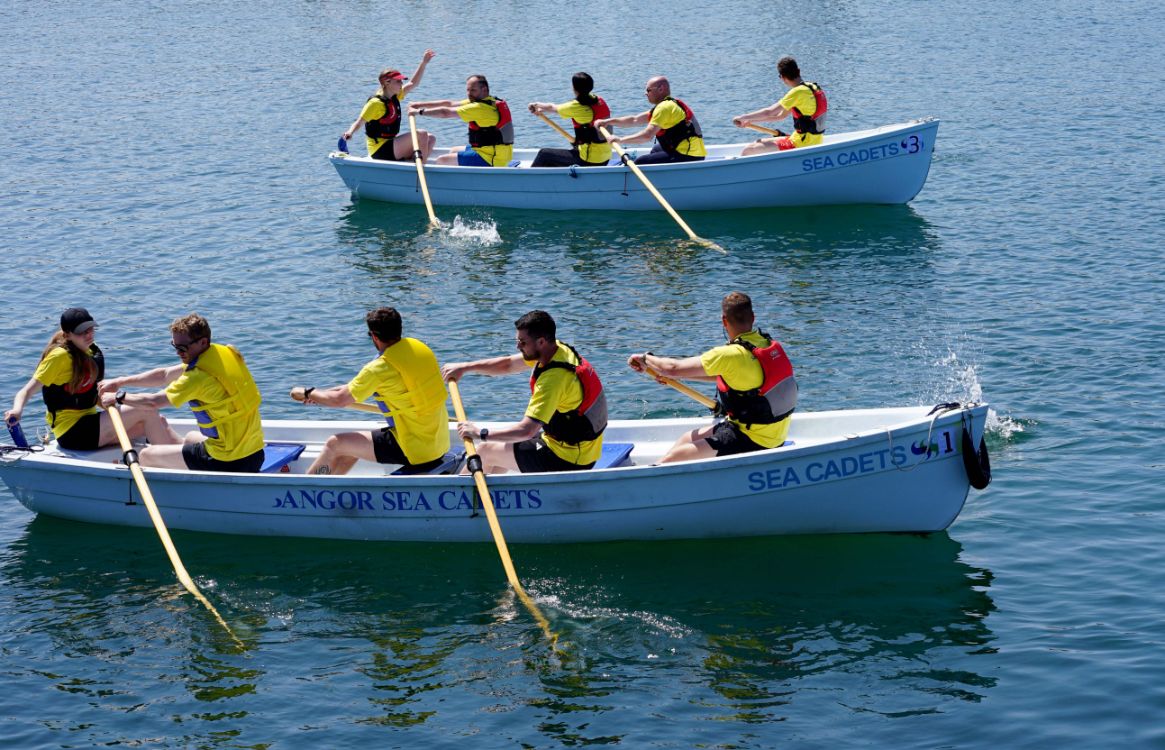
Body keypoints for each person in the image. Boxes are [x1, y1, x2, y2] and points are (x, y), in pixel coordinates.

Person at [627, 292, 797, 464]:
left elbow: (672, 368)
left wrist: (644, 358)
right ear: (753, 317)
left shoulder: (729, 355)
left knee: (674, 457)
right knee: (687, 438)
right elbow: (729, 377)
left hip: (754, 438)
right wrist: (670, 375)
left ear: (724, 321)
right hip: (771, 433)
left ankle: (650, 480)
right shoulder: (766, 344)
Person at [441, 311, 607, 474]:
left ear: (541, 341)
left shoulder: (554, 379)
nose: (518, 346)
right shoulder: (556, 349)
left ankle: (456, 497)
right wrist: (465, 367)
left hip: (567, 460)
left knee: (485, 450)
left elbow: (527, 430)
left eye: (522, 342)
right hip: (578, 450)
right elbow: (508, 365)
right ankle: (494, 497)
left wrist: (479, 433)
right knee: (501, 448)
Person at [98, 314, 266, 472]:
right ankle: (182, 463)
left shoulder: (197, 378)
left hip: (228, 461)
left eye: (183, 348)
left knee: (146, 456)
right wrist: (120, 381)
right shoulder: (220, 355)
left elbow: (153, 402)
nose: (178, 353)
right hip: (255, 453)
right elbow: (163, 375)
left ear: (202, 342)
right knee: (191, 438)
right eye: (175, 347)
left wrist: (118, 397)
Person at [298, 308, 451, 475]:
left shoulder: (378, 369)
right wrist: (319, 395)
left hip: (413, 448)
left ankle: (305, 491)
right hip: (437, 440)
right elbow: (352, 388)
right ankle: (327, 492)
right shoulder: (418, 348)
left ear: (374, 336)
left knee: (334, 444)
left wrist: (307, 393)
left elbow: (340, 400)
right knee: (350, 447)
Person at [5, 308, 178, 451]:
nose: (88, 335)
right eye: (82, 332)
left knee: (158, 421)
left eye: (90, 329)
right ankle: (169, 463)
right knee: (146, 410)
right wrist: (17, 410)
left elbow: (92, 395)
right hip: (72, 432)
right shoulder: (59, 357)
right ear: (67, 335)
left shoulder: (91, 351)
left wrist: (115, 406)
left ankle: (183, 452)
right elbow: (27, 390)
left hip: (91, 424)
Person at [342, 49, 438, 162]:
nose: (401, 84)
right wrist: (350, 132)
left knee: (430, 138)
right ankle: (421, 168)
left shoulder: (395, 96)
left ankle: (415, 163)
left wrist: (424, 63)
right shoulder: (375, 104)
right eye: (398, 81)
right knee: (422, 134)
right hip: (379, 150)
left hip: (392, 145)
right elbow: (359, 122)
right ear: (387, 83)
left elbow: (413, 83)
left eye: (401, 81)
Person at [595, 76, 705, 165]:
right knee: (656, 149)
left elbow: (647, 136)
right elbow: (635, 120)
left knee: (640, 162)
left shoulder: (664, 108)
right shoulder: (667, 105)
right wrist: (607, 122)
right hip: (687, 150)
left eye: (648, 90)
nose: (646, 93)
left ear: (661, 89)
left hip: (689, 155)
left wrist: (620, 140)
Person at [408, 75, 514, 167]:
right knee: (453, 150)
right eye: (468, 90)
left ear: (484, 90)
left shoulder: (479, 108)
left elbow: (446, 113)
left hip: (491, 159)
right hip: (496, 153)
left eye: (473, 90)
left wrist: (418, 112)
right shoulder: (490, 101)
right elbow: (449, 104)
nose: (469, 93)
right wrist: (418, 104)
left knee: (442, 160)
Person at [733, 56, 828, 156]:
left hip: (801, 144)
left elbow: (769, 112)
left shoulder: (796, 93)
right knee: (759, 142)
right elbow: (780, 116)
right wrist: (749, 122)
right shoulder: (813, 87)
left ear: (782, 77)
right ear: (798, 71)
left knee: (748, 150)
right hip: (816, 140)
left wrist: (742, 117)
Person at [527, 72, 613, 168]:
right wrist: (542, 109)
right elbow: (554, 108)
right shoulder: (600, 100)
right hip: (605, 157)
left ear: (574, 88)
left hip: (590, 160)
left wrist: (535, 104)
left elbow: (553, 107)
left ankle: (528, 181)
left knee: (544, 154)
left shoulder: (576, 106)